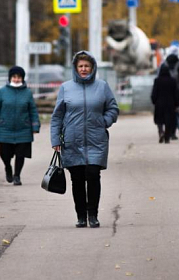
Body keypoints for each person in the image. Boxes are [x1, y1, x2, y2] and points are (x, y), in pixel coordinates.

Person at [50, 51, 119, 228]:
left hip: (97, 139)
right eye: (80, 66)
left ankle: (93, 215)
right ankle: (81, 216)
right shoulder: (66, 88)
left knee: (93, 175)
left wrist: (105, 121)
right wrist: (56, 140)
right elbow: (57, 116)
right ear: (75, 68)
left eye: (86, 66)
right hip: (72, 141)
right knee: (77, 178)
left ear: (92, 68)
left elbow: (112, 108)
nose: (83, 69)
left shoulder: (102, 86)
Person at [0, 66, 40, 186]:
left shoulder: (27, 92)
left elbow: (33, 110)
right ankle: (8, 167)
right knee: (4, 154)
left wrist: (35, 126)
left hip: (23, 129)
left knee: (20, 154)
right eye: (14, 77)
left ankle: (17, 176)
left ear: (22, 78)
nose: (16, 79)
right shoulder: (2, 91)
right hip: (5, 128)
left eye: (19, 77)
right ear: (10, 78)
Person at [161, 46, 179, 139]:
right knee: (177, 111)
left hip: (166, 91)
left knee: (167, 112)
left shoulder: (164, 64)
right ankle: (175, 130)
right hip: (178, 91)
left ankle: (167, 129)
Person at [151, 65, 179, 143]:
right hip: (170, 104)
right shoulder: (172, 81)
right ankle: (167, 137)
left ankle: (161, 132)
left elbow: (154, 93)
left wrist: (154, 101)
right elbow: (176, 93)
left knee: (159, 120)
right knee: (169, 121)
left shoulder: (157, 80)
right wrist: (177, 104)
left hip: (159, 103)